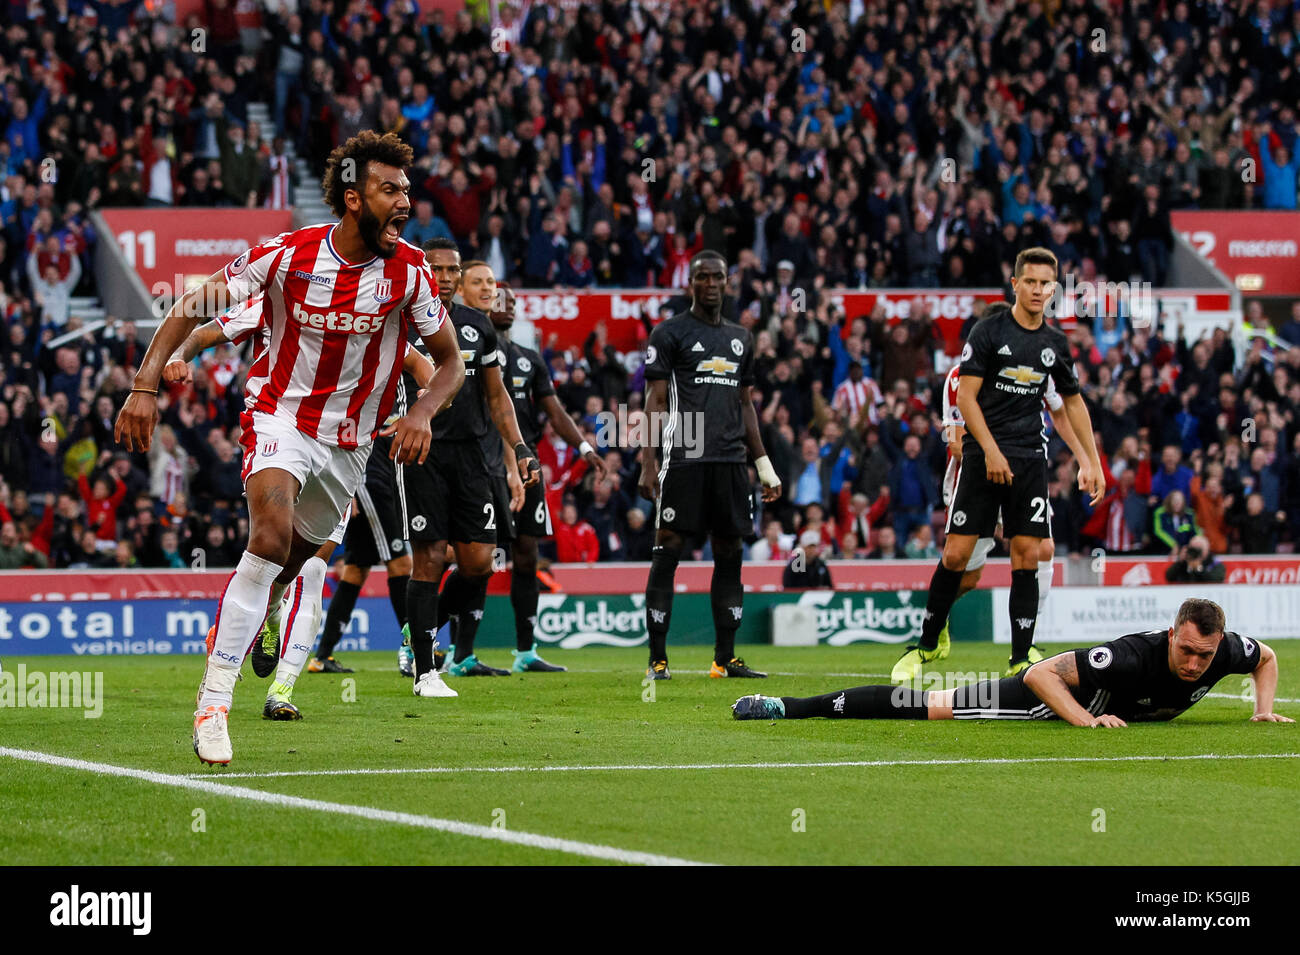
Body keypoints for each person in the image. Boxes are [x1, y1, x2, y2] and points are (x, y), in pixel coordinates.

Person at [114, 130, 467, 764]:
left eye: (408, 190)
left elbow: (449, 363)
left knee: (289, 563)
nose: (406, 202)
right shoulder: (286, 256)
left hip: (351, 445)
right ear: (354, 197)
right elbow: (194, 305)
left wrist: (422, 412)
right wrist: (144, 382)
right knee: (269, 539)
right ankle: (214, 702)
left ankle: (265, 607)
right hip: (280, 418)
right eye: (392, 190)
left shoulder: (411, 271)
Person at [893, 248, 1104, 684]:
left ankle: (1020, 657)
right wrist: (989, 450)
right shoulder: (988, 331)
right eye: (1030, 282)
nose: (1038, 290)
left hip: (1029, 460)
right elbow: (967, 399)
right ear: (1015, 283)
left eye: (1047, 284)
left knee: (1028, 553)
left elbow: (1071, 403)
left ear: (1054, 289)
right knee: (956, 555)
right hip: (982, 458)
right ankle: (927, 645)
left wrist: (1092, 461)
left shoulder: (1054, 343)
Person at [734, 598, 1294, 727]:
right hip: (1049, 700)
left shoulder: (1227, 649)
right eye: (1187, 650)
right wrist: (1084, 719)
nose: (1197, 663)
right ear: (1172, 635)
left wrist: (1262, 710)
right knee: (932, 707)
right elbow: (1039, 672)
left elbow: (1266, 658)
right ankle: (785, 706)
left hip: (1087, 701)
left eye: (1205, 654)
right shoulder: (1127, 657)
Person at [400, 237, 538, 694]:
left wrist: (518, 448)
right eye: (435, 269)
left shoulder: (478, 325)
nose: (443, 277)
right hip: (423, 453)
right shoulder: (402, 320)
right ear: (422, 270)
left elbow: (498, 398)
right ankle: (425, 671)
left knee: (480, 561)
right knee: (430, 558)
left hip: (474, 458)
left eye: (451, 270)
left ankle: (419, 629)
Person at [639, 250, 783, 680]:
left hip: (730, 463)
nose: (711, 284)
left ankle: (725, 658)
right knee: (669, 551)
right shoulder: (669, 333)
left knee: (730, 552)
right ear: (691, 284)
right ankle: (658, 659)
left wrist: (763, 465)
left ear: (727, 282)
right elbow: (655, 401)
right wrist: (648, 462)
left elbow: (746, 406)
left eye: (717, 277)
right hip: (684, 458)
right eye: (702, 277)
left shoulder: (742, 337)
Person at [486, 278, 607, 671]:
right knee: (472, 555)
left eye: (511, 298)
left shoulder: (528, 358)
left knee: (526, 555)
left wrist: (585, 448)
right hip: (484, 461)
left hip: (527, 464)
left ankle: (525, 651)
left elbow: (555, 412)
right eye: (496, 296)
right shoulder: (469, 349)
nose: (505, 304)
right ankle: (457, 650)